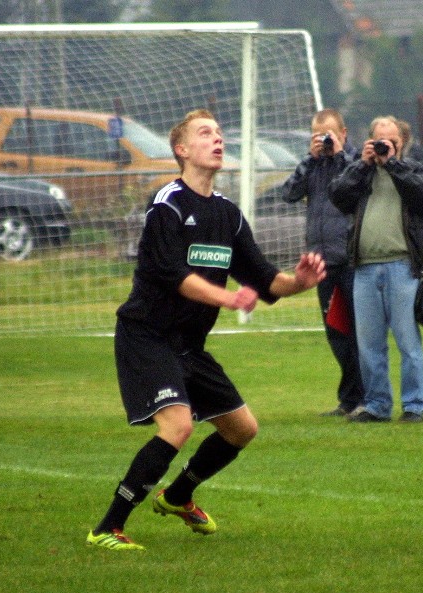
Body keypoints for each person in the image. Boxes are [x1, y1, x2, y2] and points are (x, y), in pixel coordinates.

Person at [86, 109, 325, 551]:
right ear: (182, 150)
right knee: (177, 426)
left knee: (242, 429)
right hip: (147, 336)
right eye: (205, 133)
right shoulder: (167, 205)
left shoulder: (228, 215)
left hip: (188, 346)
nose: (217, 140)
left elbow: (265, 278)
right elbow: (173, 274)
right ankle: (107, 528)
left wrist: (299, 283)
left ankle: (177, 496)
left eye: (218, 133)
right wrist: (229, 298)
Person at [330, 115, 423, 423]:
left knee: (407, 340)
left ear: (402, 143)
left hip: (403, 266)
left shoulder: (415, 170)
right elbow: (337, 195)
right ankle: (377, 405)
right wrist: (363, 164)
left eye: (389, 141)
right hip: (364, 267)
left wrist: (393, 164)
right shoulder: (361, 174)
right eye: (377, 139)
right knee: (369, 344)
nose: (383, 146)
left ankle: (414, 405)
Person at [281, 108, 364, 416]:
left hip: (352, 258)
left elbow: (359, 185)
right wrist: (310, 158)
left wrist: (340, 156)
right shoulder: (314, 166)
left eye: (329, 135)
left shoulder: (356, 162)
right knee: (336, 331)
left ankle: (366, 397)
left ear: (343, 133)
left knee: (358, 331)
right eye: (318, 136)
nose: (325, 141)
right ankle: (349, 398)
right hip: (322, 261)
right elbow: (289, 193)